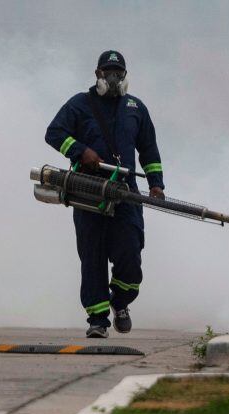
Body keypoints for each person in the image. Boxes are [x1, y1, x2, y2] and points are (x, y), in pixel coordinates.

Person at [45, 50, 165, 338]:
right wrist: (80, 151)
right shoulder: (79, 104)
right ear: (97, 74)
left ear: (125, 75)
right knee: (92, 256)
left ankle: (120, 302)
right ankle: (97, 320)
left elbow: (148, 149)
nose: (112, 77)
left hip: (126, 195)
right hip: (89, 192)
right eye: (107, 72)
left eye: (118, 72)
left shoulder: (136, 108)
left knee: (130, 256)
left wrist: (156, 183)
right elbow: (54, 133)